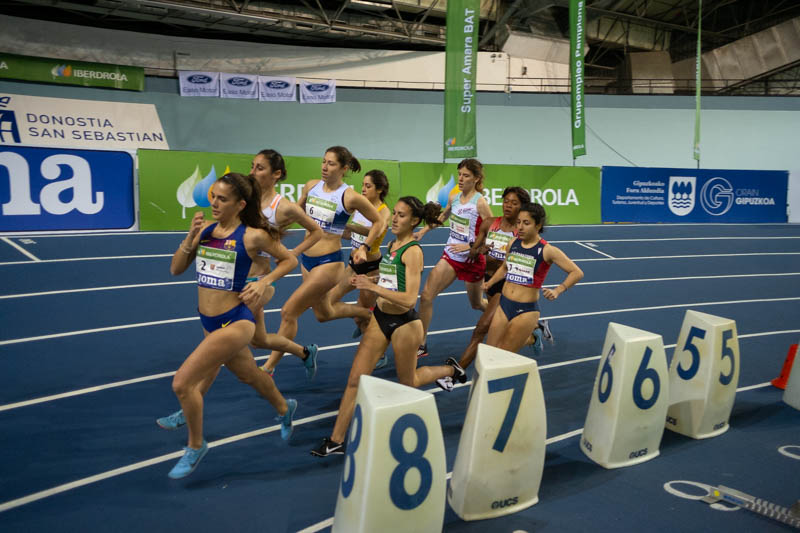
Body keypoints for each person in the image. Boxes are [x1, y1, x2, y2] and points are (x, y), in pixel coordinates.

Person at [163, 172, 299, 479]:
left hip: (236, 322)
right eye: (213, 196)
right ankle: (284, 407)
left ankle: (196, 445)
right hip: (208, 320)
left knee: (182, 384)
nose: (214, 203)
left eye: (222, 199)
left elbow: (289, 260)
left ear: (240, 205)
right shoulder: (206, 230)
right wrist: (190, 237)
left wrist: (264, 281)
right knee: (248, 375)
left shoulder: (253, 236)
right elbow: (175, 269)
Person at [311, 196, 467, 457]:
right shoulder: (393, 244)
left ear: (414, 221)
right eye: (394, 213)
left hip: (405, 324)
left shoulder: (413, 252)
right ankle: (336, 441)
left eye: (401, 215)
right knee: (355, 380)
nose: (394, 219)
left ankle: (450, 369)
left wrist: (371, 287)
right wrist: (371, 279)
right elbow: (391, 280)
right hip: (380, 318)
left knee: (410, 381)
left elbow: (409, 299)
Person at [262, 146, 386, 376]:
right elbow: (294, 213)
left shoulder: (349, 196)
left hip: (329, 262)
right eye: (323, 162)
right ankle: (365, 314)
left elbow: (379, 222)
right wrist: (271, 232)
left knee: (288, 311)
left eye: (331, 163)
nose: (325, 167)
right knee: (323, 314)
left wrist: (364, 247)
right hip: (306, 261)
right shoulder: (311, 186)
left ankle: (269, 367)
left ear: (344, 168)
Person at [432, 186, 529, 392]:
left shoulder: (521, 234)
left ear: (522, 207)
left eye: (514, 203)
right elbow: (473, 252)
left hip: (507, 285)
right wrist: (480, 250)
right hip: (489, 282)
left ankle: (456, 374)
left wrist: (502, 261)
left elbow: (522, 264)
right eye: (506, 201)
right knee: (503, 332)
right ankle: (534, 333)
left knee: (482, 328)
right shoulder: (489, 224)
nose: (508, 206)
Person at [248, 149, 323, 373]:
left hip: (256, 279)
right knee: (257, 340)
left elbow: (316, 231)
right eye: (252, 166)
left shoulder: (283, 207)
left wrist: (293, 252)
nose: (252, 172)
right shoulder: (246, 199)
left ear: (276, 174)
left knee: (225, 331)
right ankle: (305, 352)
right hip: (234, 275)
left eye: (260, 168)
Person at [414, 158, 494, 357]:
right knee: (426, 296)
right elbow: (442, 217)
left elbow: (492, 233)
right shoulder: (454, 197)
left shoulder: (480, 203)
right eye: (459, 174)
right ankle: (421, 343)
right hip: (451, 256)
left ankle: (505, 317)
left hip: (473, 260)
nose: (461, 178)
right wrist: (423, 232)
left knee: (477, 304)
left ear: (476, 179)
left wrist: (470, 246)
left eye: (466, 175)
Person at [483, 202, 583, 354]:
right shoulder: (512, 243)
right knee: (489, 352)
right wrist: (489, 283)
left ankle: (533, 338)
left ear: (538, 225)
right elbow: (504, 267)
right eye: (518, 222)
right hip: (504, 304)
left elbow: (576, 272)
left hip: (526, 311)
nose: (520, 227)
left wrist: (558, 290)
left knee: (502, 354)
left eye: (526, 223)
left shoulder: (547, 250)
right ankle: (534, 336)